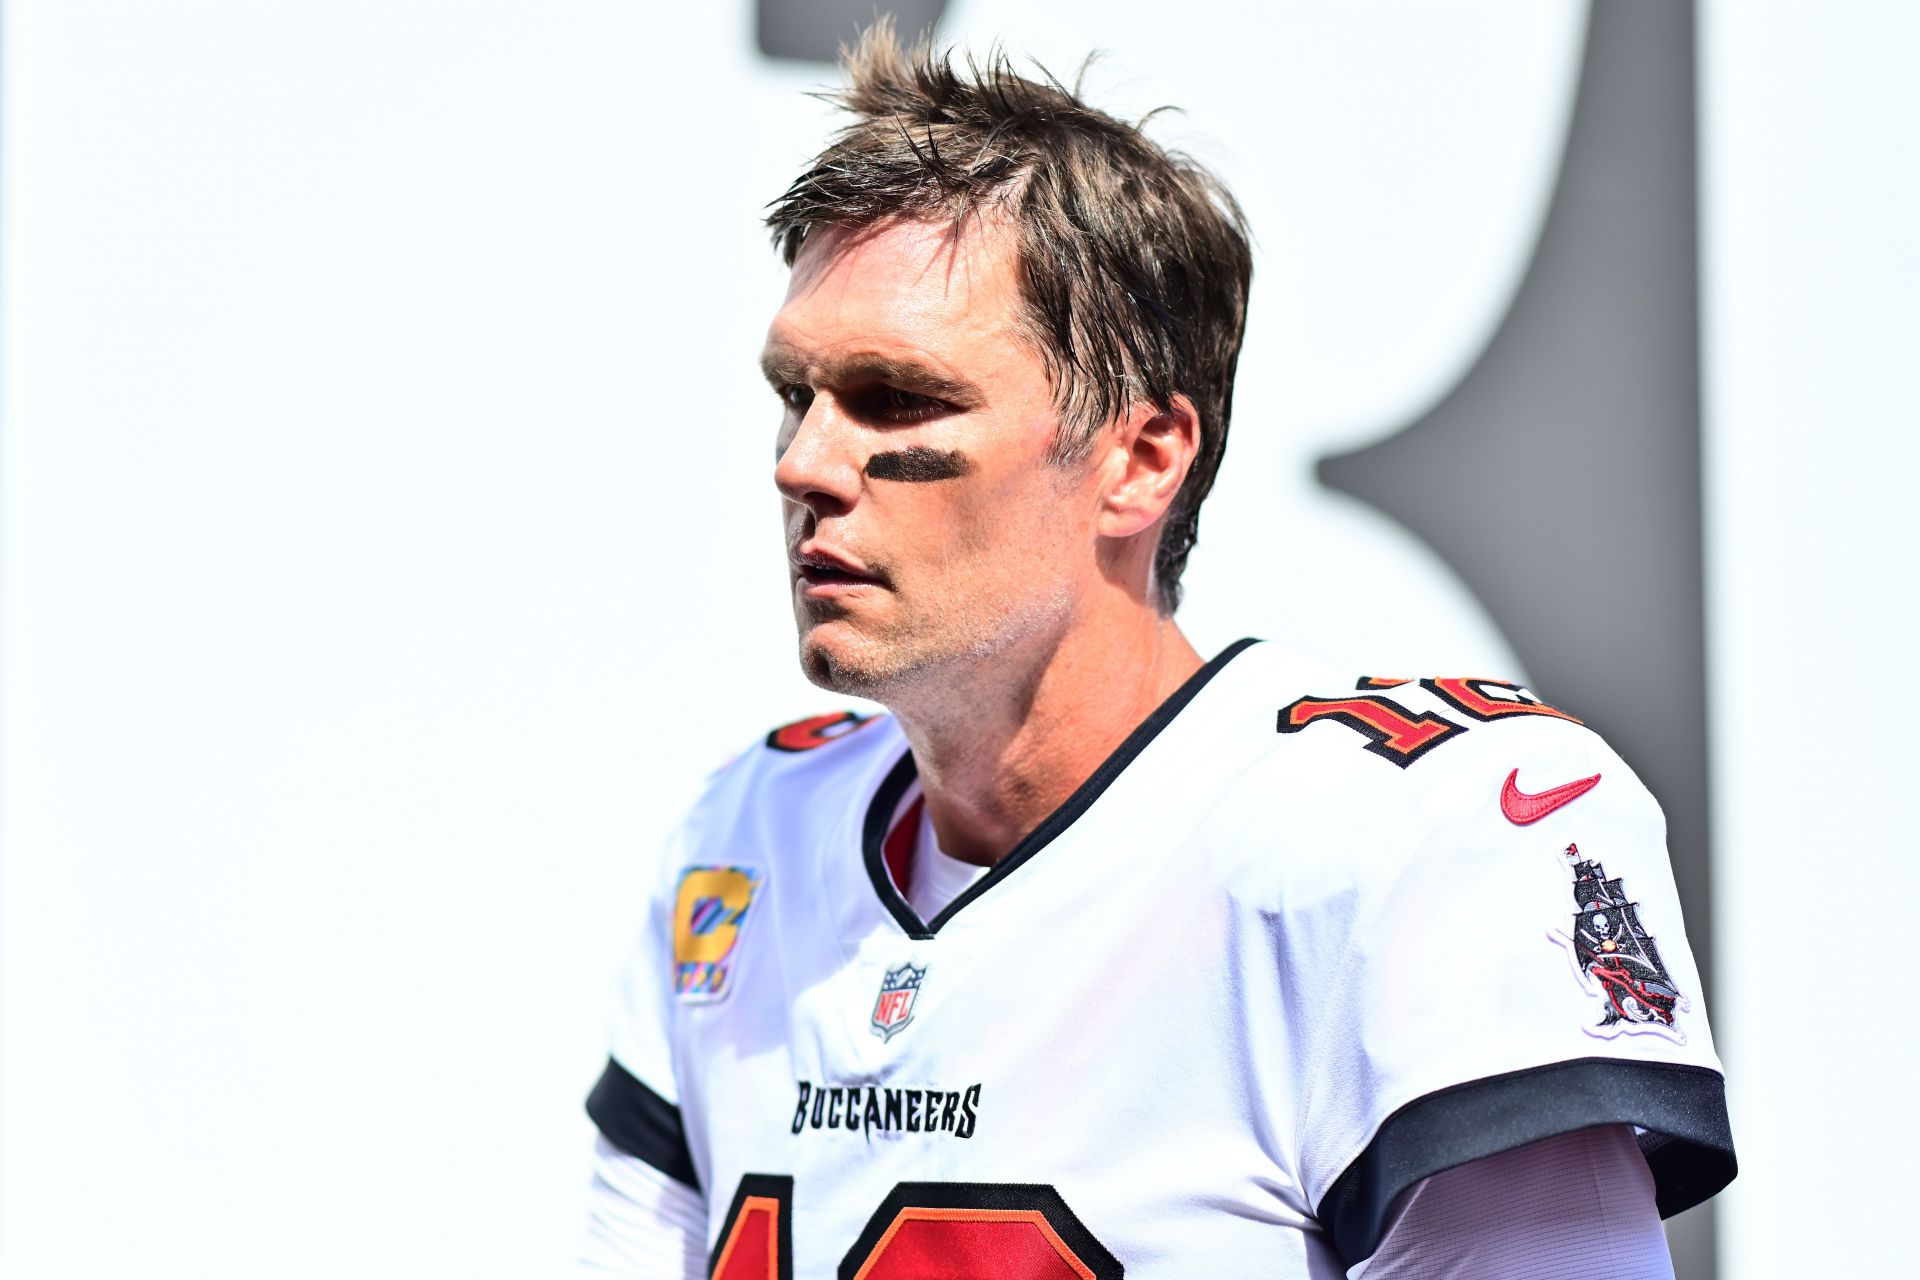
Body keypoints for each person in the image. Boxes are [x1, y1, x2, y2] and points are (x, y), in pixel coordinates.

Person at [579, 25, 1734, 1279]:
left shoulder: (1397, 834)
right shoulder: (748, 831)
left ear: (1139, 460)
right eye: (795, 394)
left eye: (897, 398)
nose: (804, 464)